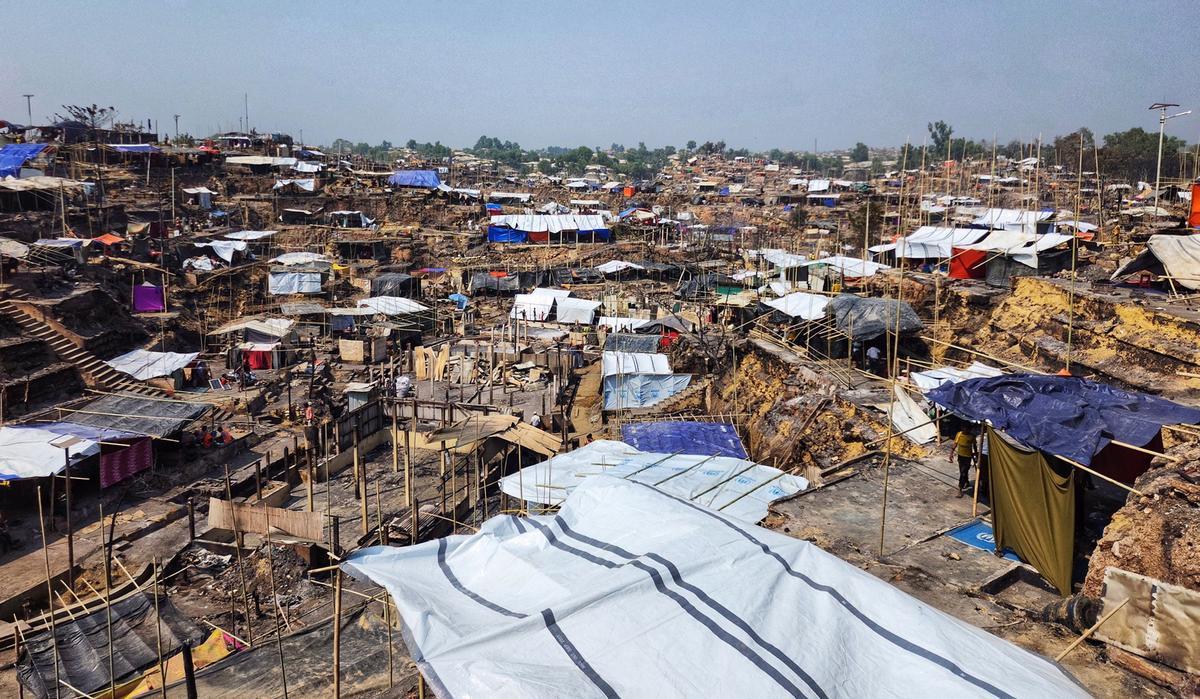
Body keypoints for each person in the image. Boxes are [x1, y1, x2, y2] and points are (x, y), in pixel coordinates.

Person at [952, 427, 977, 498]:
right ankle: (967, 482)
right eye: (963, 428)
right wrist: (951, 453)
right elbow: (955, 443)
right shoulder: (959, 434)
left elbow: (974, 446)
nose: (964, 430)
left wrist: (976, 455)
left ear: (969, 429)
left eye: (966, 428)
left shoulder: (972, 436)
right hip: (960, 456)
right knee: (962, 472)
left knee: (963, 472)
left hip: (968, 457)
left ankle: (960, 489)